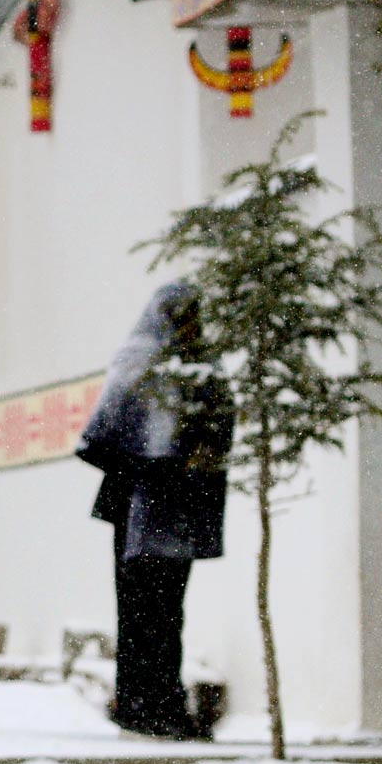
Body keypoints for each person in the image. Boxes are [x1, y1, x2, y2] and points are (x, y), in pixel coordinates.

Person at [75, 283, 232, 739]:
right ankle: (140, 704)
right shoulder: (141, 357)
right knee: (141, 609)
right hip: (138, 507)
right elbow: (105, 432)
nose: (191, 322)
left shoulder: (202, 366)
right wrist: (152, 458)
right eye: (184, 313)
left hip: (177, 507)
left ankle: (162, 703)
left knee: (167, 610)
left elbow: (218, 429)